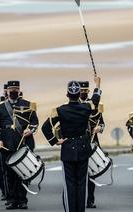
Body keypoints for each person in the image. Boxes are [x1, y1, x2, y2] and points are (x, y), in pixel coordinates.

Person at [41, 76, 101, 212]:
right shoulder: (86, 107)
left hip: (68, 149)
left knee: (69, 185)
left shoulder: (60, 110)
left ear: (67, 95)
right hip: (83, 149)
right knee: (81, 184)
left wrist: (55, 141)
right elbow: (95, 102)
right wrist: (97, 85)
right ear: (79, 94)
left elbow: (45, 127)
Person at [0, 81, 39, 210]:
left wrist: (31, 130)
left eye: (16, 89)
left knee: (22, 173)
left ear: (19, 90)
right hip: (6, 144)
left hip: (22, 142)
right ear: (7, 91)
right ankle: (12, 200)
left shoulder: (28, 104)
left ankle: (23, 200)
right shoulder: (0, 107)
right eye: (11, 89)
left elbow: (34, 122)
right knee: (9, 174)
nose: (13, 91)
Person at [78, 80, 105, 208]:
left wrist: (99, 128)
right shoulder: (73, 106)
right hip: (78, 144)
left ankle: (90, 200)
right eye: (81, 91)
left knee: (91, 173)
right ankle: (79, 199)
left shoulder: (94, 106)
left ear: (88, 91)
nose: (83, 93)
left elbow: (102, 122)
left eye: (85, 91)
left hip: (92, 143)